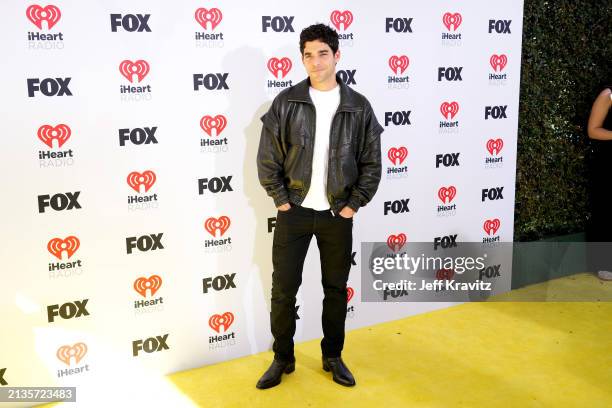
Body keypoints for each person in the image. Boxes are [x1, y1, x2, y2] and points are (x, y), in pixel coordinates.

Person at [255, 23, 383, 388]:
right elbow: (268, 158)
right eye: (308, 54)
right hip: (293, 213)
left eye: (322, 53)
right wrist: (281, 199)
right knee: (283, 290)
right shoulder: (287, 101)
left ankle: (333, 356)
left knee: (335, 290)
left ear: (337, 55)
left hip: (336, 215)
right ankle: (283, 358)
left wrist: (352, 205)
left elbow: (372, 164)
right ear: (302, 58)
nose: (315, 61)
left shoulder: (358, 106)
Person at [587, 85, 612, 281]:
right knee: (606, 213)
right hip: (608, 166)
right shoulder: (607, 95)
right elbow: (593, 131)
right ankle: (604, 264)